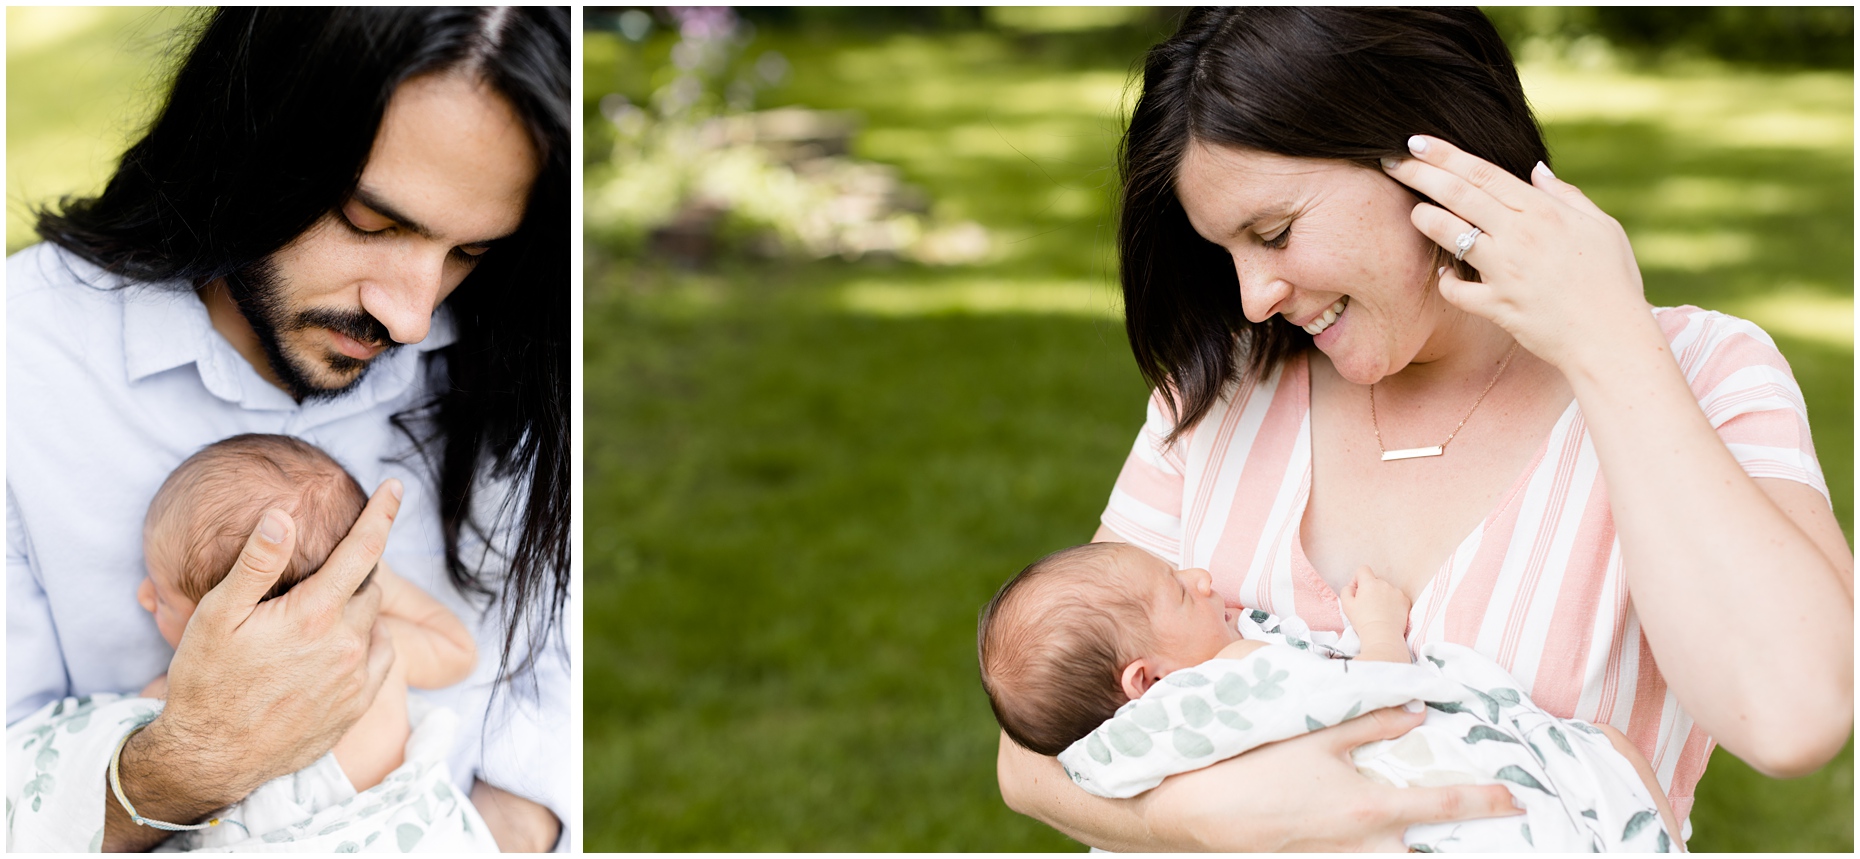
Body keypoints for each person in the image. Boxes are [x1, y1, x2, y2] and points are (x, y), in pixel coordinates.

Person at [994, 8, 1852, 851]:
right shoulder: (1222, 395)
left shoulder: (1697, 369)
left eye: (1276, 232)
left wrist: (1610, 343)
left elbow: (1794, 716)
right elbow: (1029, 756)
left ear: (1428, 153)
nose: (1254, 298)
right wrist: (1192, 823)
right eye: (1228, 253)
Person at [6, 7, 571, 852]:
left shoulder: (529, 345)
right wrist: (188, 761)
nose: (413, 315)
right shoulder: (27, 365)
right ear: (247, 141)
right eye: (372, 223)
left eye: (468, 253)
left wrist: (502, 832)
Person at [980, 541, 1681, 851]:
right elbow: (1373, 700)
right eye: (1174, 587)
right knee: (1595, 770)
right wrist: (1378, 628)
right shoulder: (1229, 679)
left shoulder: (1108, 754)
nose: (1199, 576)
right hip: (1423, 812)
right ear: (1147, 680)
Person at [130, 433, 493, 850]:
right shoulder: (376, 647)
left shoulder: (189, 702)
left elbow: (140, 747)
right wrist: (377, 584)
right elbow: (458, 651)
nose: (143, 597)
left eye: (161, 596)